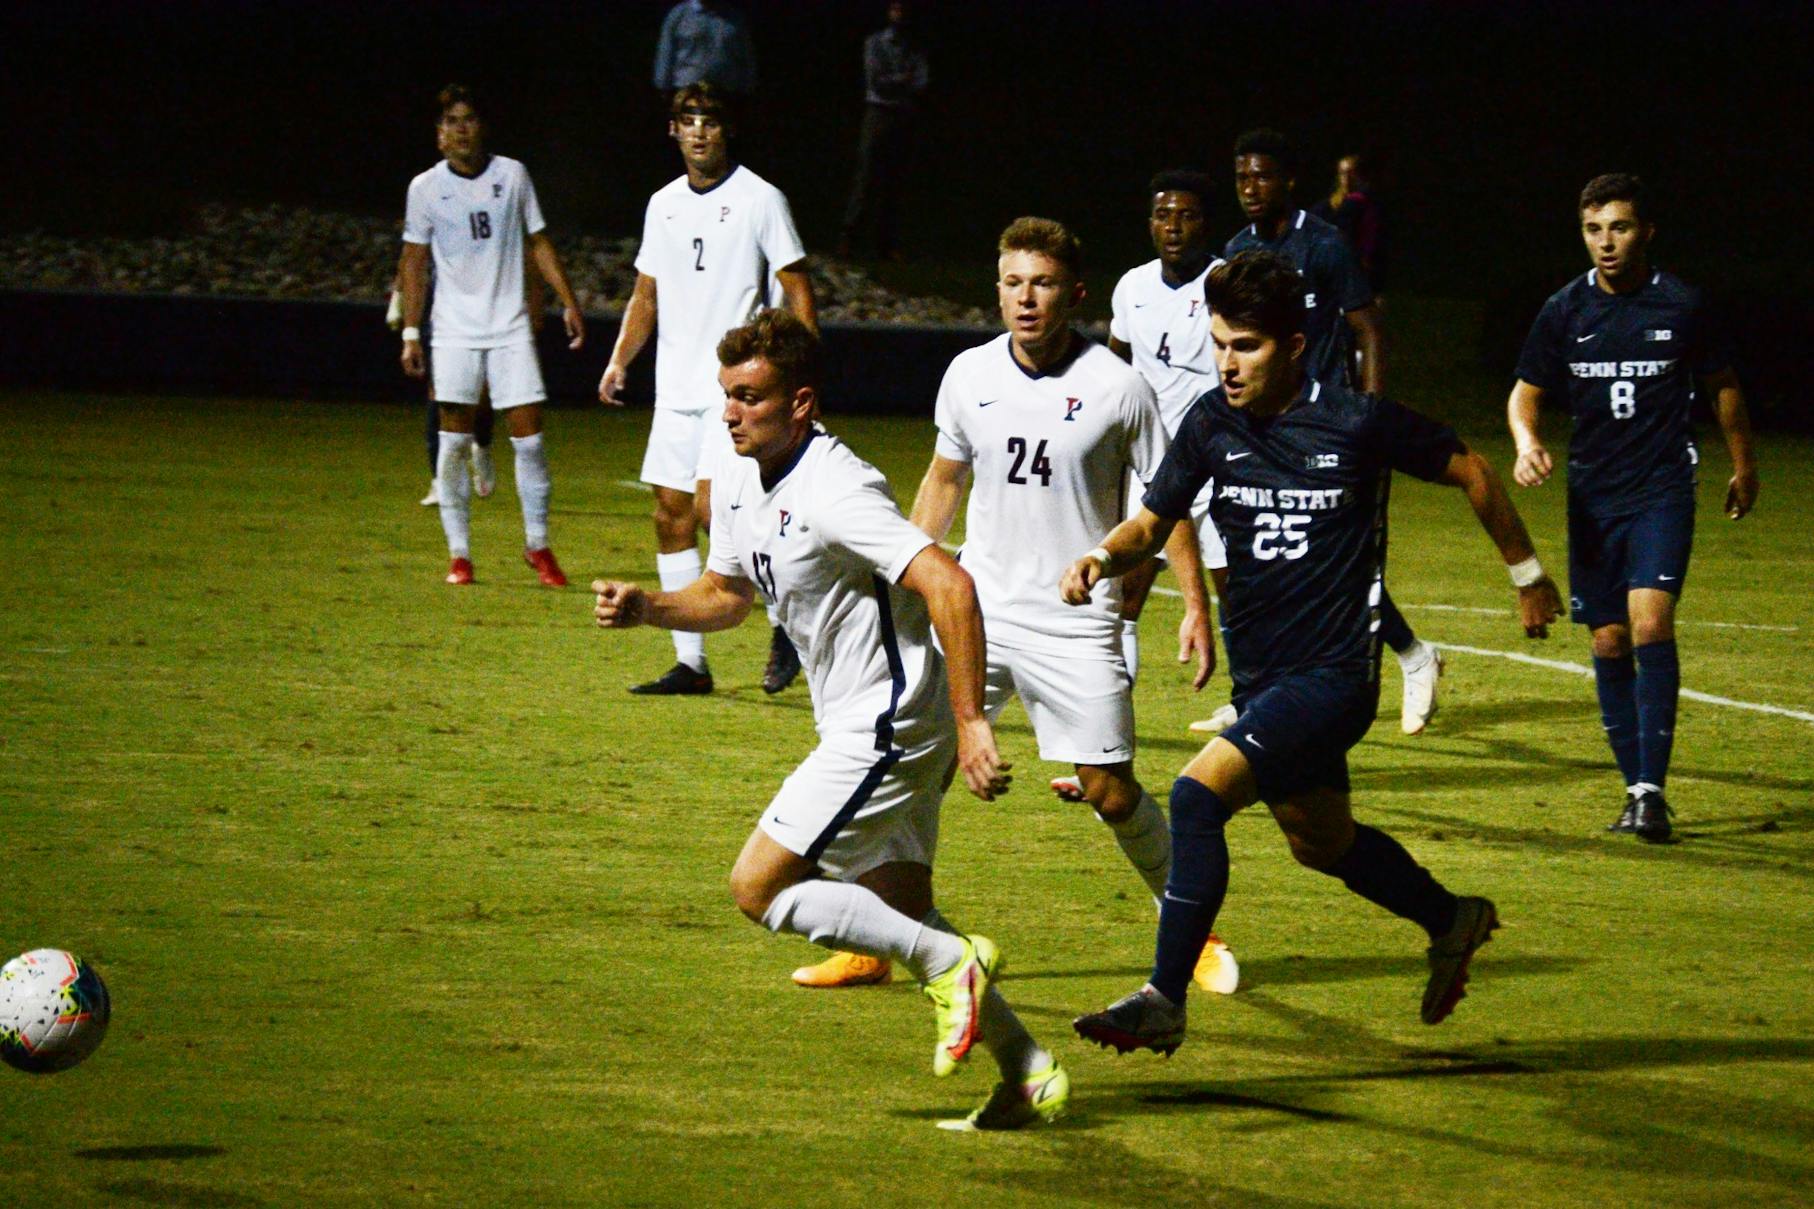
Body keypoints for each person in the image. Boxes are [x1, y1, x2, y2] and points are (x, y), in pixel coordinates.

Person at [1069, 251, 1565, 1055]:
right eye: (1222, 343)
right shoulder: (1210, 422)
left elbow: (1472, 468)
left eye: (1248, 347)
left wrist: (1527, 573)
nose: (1229, 363)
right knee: (1321, 841)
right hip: (1264, 680)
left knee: (1196, 799)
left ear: (1294, 346)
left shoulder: (1357, 421)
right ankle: (1452, 917)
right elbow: (1153, 524)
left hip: (1335, 677)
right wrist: (1103, 557)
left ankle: (1165, 994)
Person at [592, 310, 1068, 1130]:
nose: (732, 413)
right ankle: (1026, 1068)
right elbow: (729, 595)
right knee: (901, 903)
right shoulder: (742, 472)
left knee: (760, 885)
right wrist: (651, 607)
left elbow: (949, 585)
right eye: (726, 397)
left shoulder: (838, 487)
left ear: (802, 402)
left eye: (750, 397)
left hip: (891, 722)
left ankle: (954, 964)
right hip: (868, 718)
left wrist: (974, 722)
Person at [792, 217, 1222, 993]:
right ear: (997, 288)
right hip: (979, 609)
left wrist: (1195, 604)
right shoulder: (967, 374)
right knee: (913, 766)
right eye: (1013, 282)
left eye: (1044, 283)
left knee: (1107, 785)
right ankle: (877, 935)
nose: (1027, 299)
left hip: (1074, 616)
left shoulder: (1119, 388)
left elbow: (1167, 506)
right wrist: (906, 573)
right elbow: (944, 479)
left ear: (1075, 293)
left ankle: (1188, 921)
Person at [1507, 173, 1759, 843]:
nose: (1605, 243)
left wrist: (1744, 463)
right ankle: (1634, 788)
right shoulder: (1565, 310)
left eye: (1618, 227)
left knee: (1649, 623)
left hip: (1662, 487)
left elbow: (1722, 386)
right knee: (1609, 637)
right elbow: (1525, 393)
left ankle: (1651, 792)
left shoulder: (1682, 305)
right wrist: (1527, 442)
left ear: (1646, 231)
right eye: (1593, 229)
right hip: (1593, 496)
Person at [1224, 129, 1444, 735]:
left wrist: (1367, 419)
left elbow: (1369, 328)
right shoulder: (1237, 251)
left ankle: (1410, 655)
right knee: (1268, 556)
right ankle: (1263, 687)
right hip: (1266, 433)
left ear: (1289, 181)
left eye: (1263, 176)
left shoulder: (1324, 244)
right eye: (1242, 177)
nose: (1251, 188)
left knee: (1338, 565)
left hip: (1329, 430)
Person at [600, 82, 817, 696]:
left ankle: (784, 623)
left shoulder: (760, 199)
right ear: (673, 131)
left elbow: (797, 287)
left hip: (735, 390)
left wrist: (799, 373)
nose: (698, 132)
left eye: (710, 122)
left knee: (711, 512)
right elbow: (647, 293)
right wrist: (620, 361)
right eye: (687, 121)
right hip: (673, 389)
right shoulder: (662, 204)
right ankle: (691, 665)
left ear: (727, 132)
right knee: (669, 516)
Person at [398, 85, 586, 587]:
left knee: (530, 441)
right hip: (455, 331)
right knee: (454, 443)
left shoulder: (512, 175)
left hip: (509, 328)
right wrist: (412, 331)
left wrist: (567, 300)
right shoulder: (425, 189)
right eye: (450, 122)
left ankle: (538, 545)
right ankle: (459, 555)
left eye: (468, 119)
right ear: (438, 136)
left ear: (481, 127)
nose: (460, 129)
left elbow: (538, 241)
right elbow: (413, 262)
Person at [837, 1, 929, 260]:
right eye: (896, 10)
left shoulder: (914, 47)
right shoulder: (875, 43)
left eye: (904, 10)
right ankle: (849, 238)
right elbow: (876, 81)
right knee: (866, 176)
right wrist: (903, 80)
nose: (900, 15)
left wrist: (900, 82)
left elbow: (922, 81)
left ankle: (886, 244)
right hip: (879, 112)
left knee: (895, 179)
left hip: (903, 114)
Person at [1309, 151, 1388, 303]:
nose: (1347, 179)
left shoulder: (1370, 203)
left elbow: (1376, 241)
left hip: (1365, 275)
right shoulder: (1327, 207)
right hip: (1335, 273)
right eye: (1343, 173)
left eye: (1352, 173)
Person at [652, 0, 756, 97]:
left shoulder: (733, 18)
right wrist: (662, 87)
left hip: (725, 93)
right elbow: (665, 55)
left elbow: (745, 56)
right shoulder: (678, 15)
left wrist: (748, 87)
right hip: (687, 93)